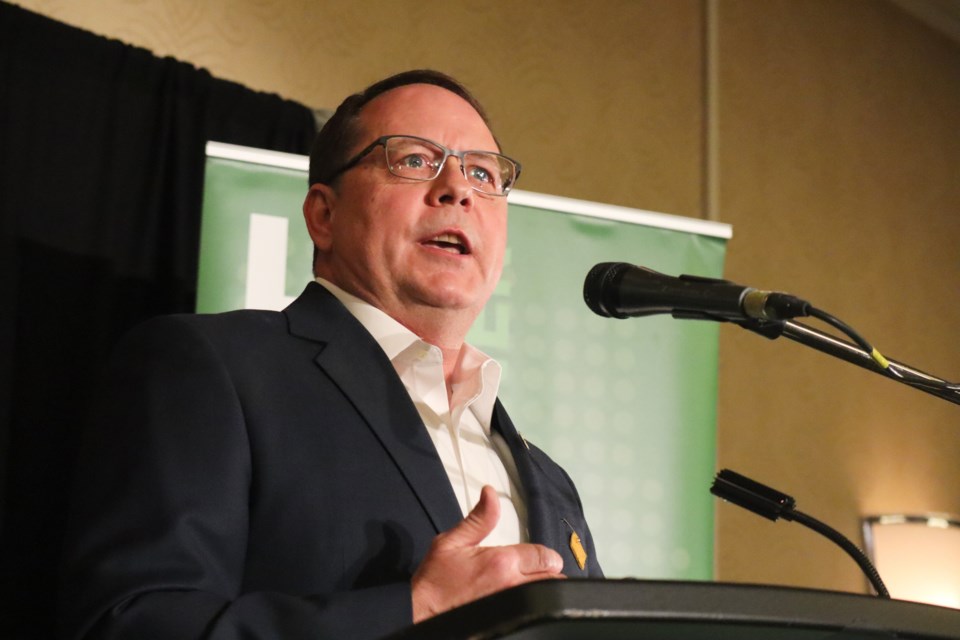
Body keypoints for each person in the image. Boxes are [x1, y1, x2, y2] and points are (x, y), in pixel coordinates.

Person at [59, 69, 602, 640]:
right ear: (323, 215)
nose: (458, 189)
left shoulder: (548, 478)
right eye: (414, 160)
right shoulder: (213, 369)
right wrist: (414, 611)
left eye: (483, 173)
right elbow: (125, 625)